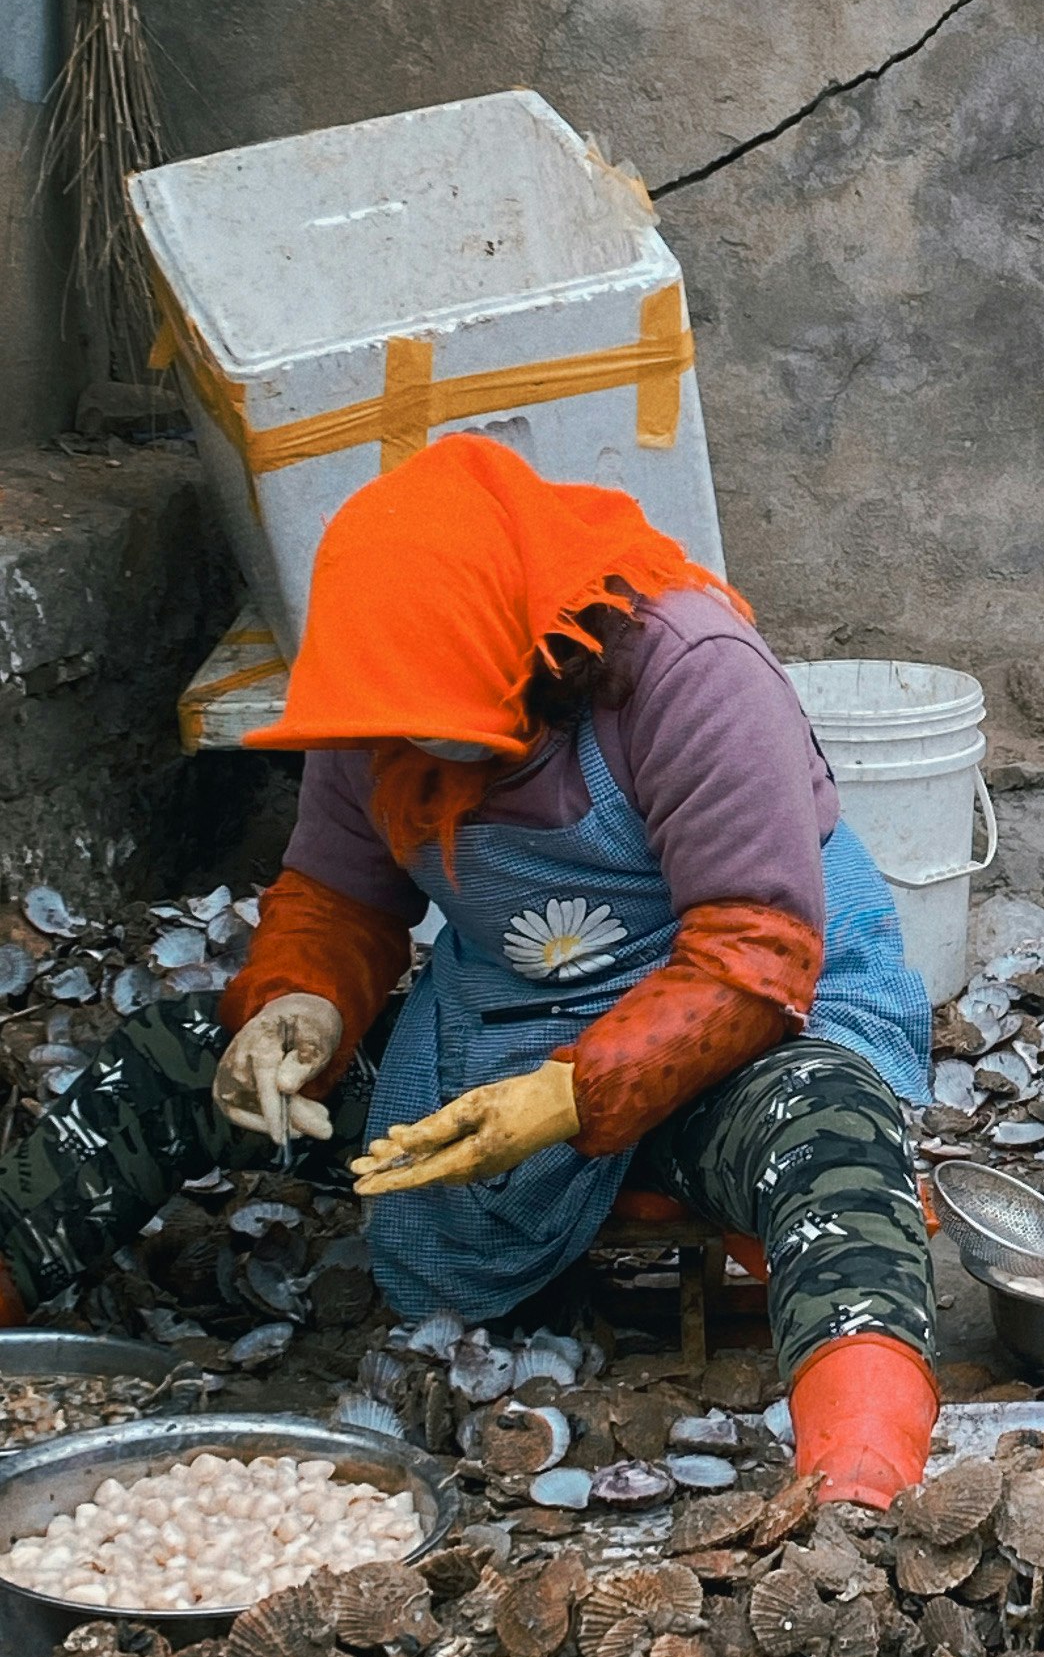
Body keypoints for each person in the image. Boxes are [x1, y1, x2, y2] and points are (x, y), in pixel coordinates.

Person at [0, 437, 940, 1509]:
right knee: (175, 1057)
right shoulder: (375, 700)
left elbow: (753, 947)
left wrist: (569, 1095)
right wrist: (297, 1007)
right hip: (502, 1018)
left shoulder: (690, 671)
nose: (404, 744)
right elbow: (337, 895)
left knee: (827, 1125)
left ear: (527, 662)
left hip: (742, 1022)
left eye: (436, 725)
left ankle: (864, 1470)